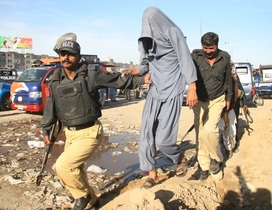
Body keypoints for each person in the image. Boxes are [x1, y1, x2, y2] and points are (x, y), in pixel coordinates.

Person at [41, 35, 150, 210]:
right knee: (76, 169)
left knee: (63, 166)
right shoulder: (55, 79)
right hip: (70, 133)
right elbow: (50, 108)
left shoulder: (91, 74)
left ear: (78, 56)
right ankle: (92, 200)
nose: (66, 57)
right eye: (63, 54)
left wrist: (142, 80)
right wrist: (46, 131)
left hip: (90, 132)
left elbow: (117, 81)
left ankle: (82, 196)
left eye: (70, 54)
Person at [123, 7, 198, 188]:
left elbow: (185, 59)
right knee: (146, 134)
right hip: (155, 90)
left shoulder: (174, 32)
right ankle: (152, 174)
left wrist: (192, 87)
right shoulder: (148, 39)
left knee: (164, 139)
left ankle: (179, 158)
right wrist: (136, 70)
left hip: (173, 89)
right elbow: (145, 62)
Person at [191, 32, 233, 181]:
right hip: (200, 101)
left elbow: (229, 80)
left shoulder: (225, 58)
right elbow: (188, 76)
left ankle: (215, 159)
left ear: (217, 45)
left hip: (217, 99)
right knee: (200, 135)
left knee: (210, 130)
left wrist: (229, 98)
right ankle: (204, 167)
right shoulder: (195, 57)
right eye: (205, 48)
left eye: (211, 48)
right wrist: (191, 90)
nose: (208, 51)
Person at [231, 63, 248, 153]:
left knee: (234, 123)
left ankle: (235, 143)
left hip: (234, 104)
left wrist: (244, 103)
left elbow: (241, 89)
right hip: (222, 104)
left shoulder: (235, 77)